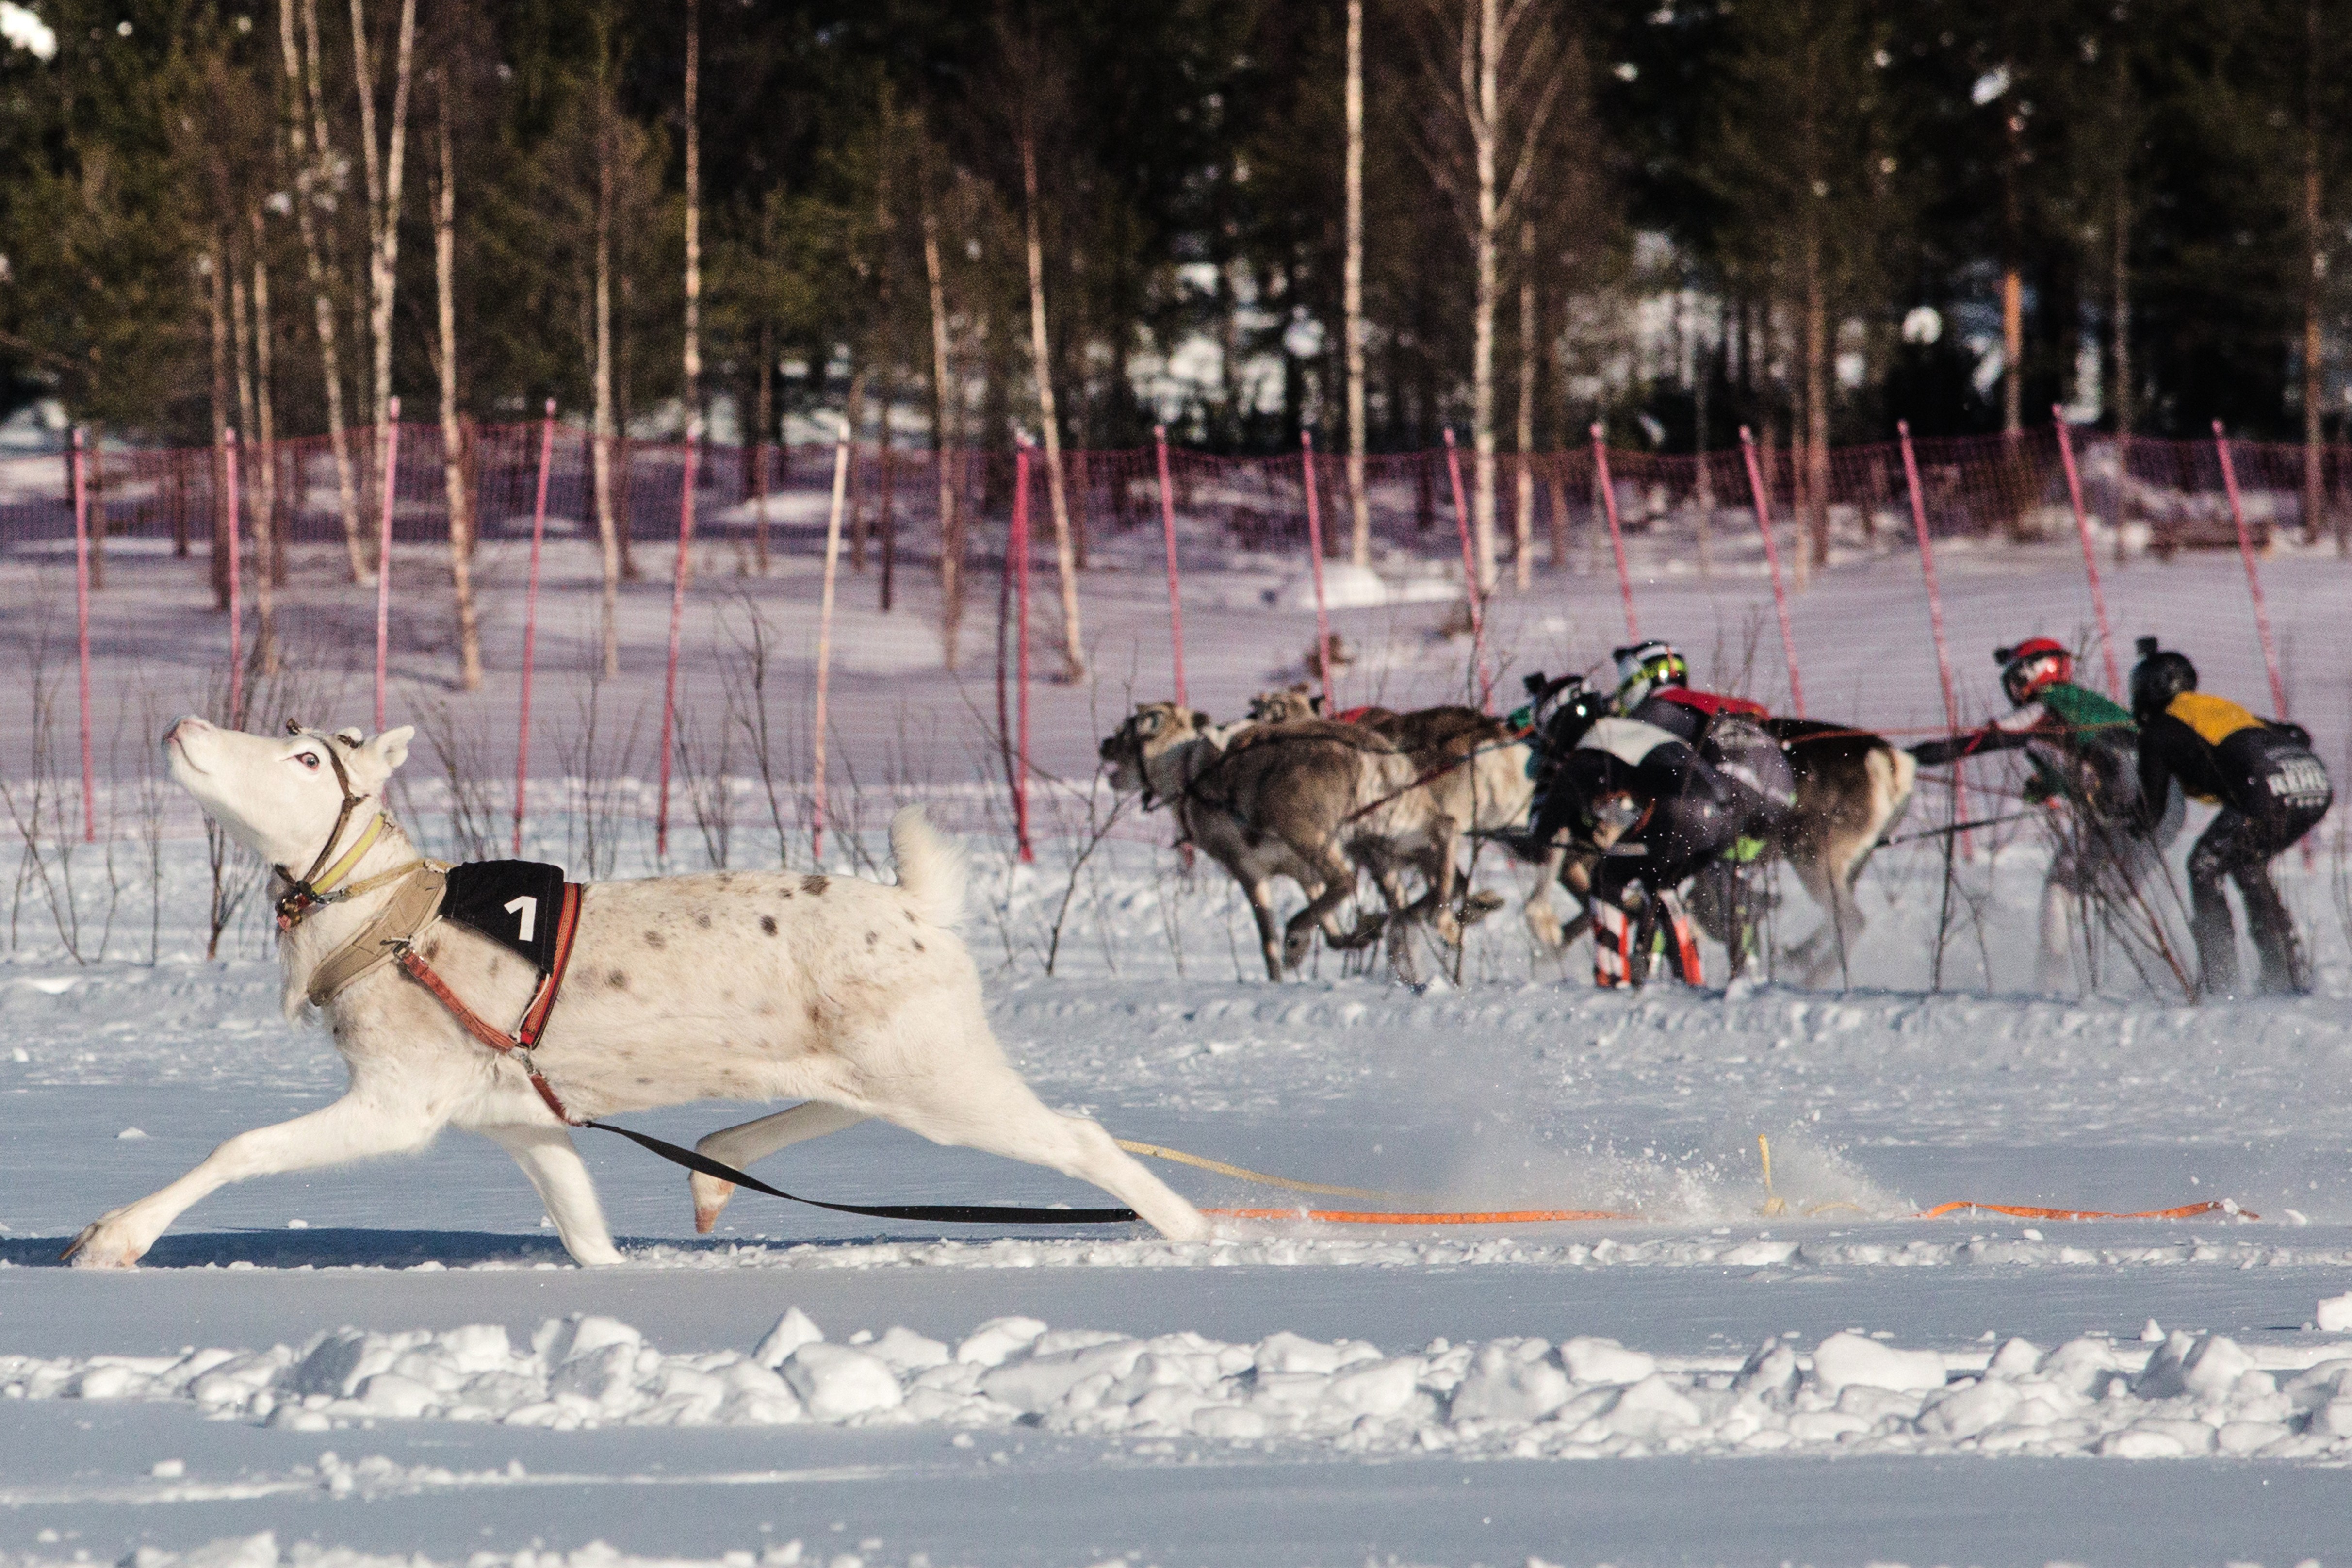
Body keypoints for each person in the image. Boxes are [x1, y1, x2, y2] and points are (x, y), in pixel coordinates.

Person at [1910, 637, 2152, 988]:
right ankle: (2172, 974)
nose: (2012, 686)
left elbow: (1989, 739)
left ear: (2036, 671)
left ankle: (2051, 983)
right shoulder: (2079, 703)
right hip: (2150, 808)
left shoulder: (2048, 703)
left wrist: (1913, 757)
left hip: (2122, 814)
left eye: (2016, 676)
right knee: (2117, 895)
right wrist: (2054, 783)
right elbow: (2092, 757)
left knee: (2062, 889)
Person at [2129, 637, 2331, 996]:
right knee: (2247, 864)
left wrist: (2122, 819)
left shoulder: (2158, 730)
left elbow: (2151, 812)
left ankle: (2220, 981)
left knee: (2204, 866)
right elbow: (2298, 734)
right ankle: (2285, 975)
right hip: (2313, 782)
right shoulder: (2214, 707)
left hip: (2265, 788)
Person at [1520, 672, 1739, 988]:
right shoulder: (1629, 730)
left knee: (1607, 876)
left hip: (1681, 810)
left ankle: (1612, 977)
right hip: (1722, 815)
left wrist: (1543, 830)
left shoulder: (1589, 750)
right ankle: (1690, 978)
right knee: (1658, 881)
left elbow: (1545, 831)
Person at [1609, 640, 1794, 969]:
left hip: (1735, 793)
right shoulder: (1706, 703)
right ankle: (1748, 967)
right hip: (1780, 795)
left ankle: (1648, 964)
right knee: (1731, 878)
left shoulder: (1654, 711)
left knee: (1664, 872)